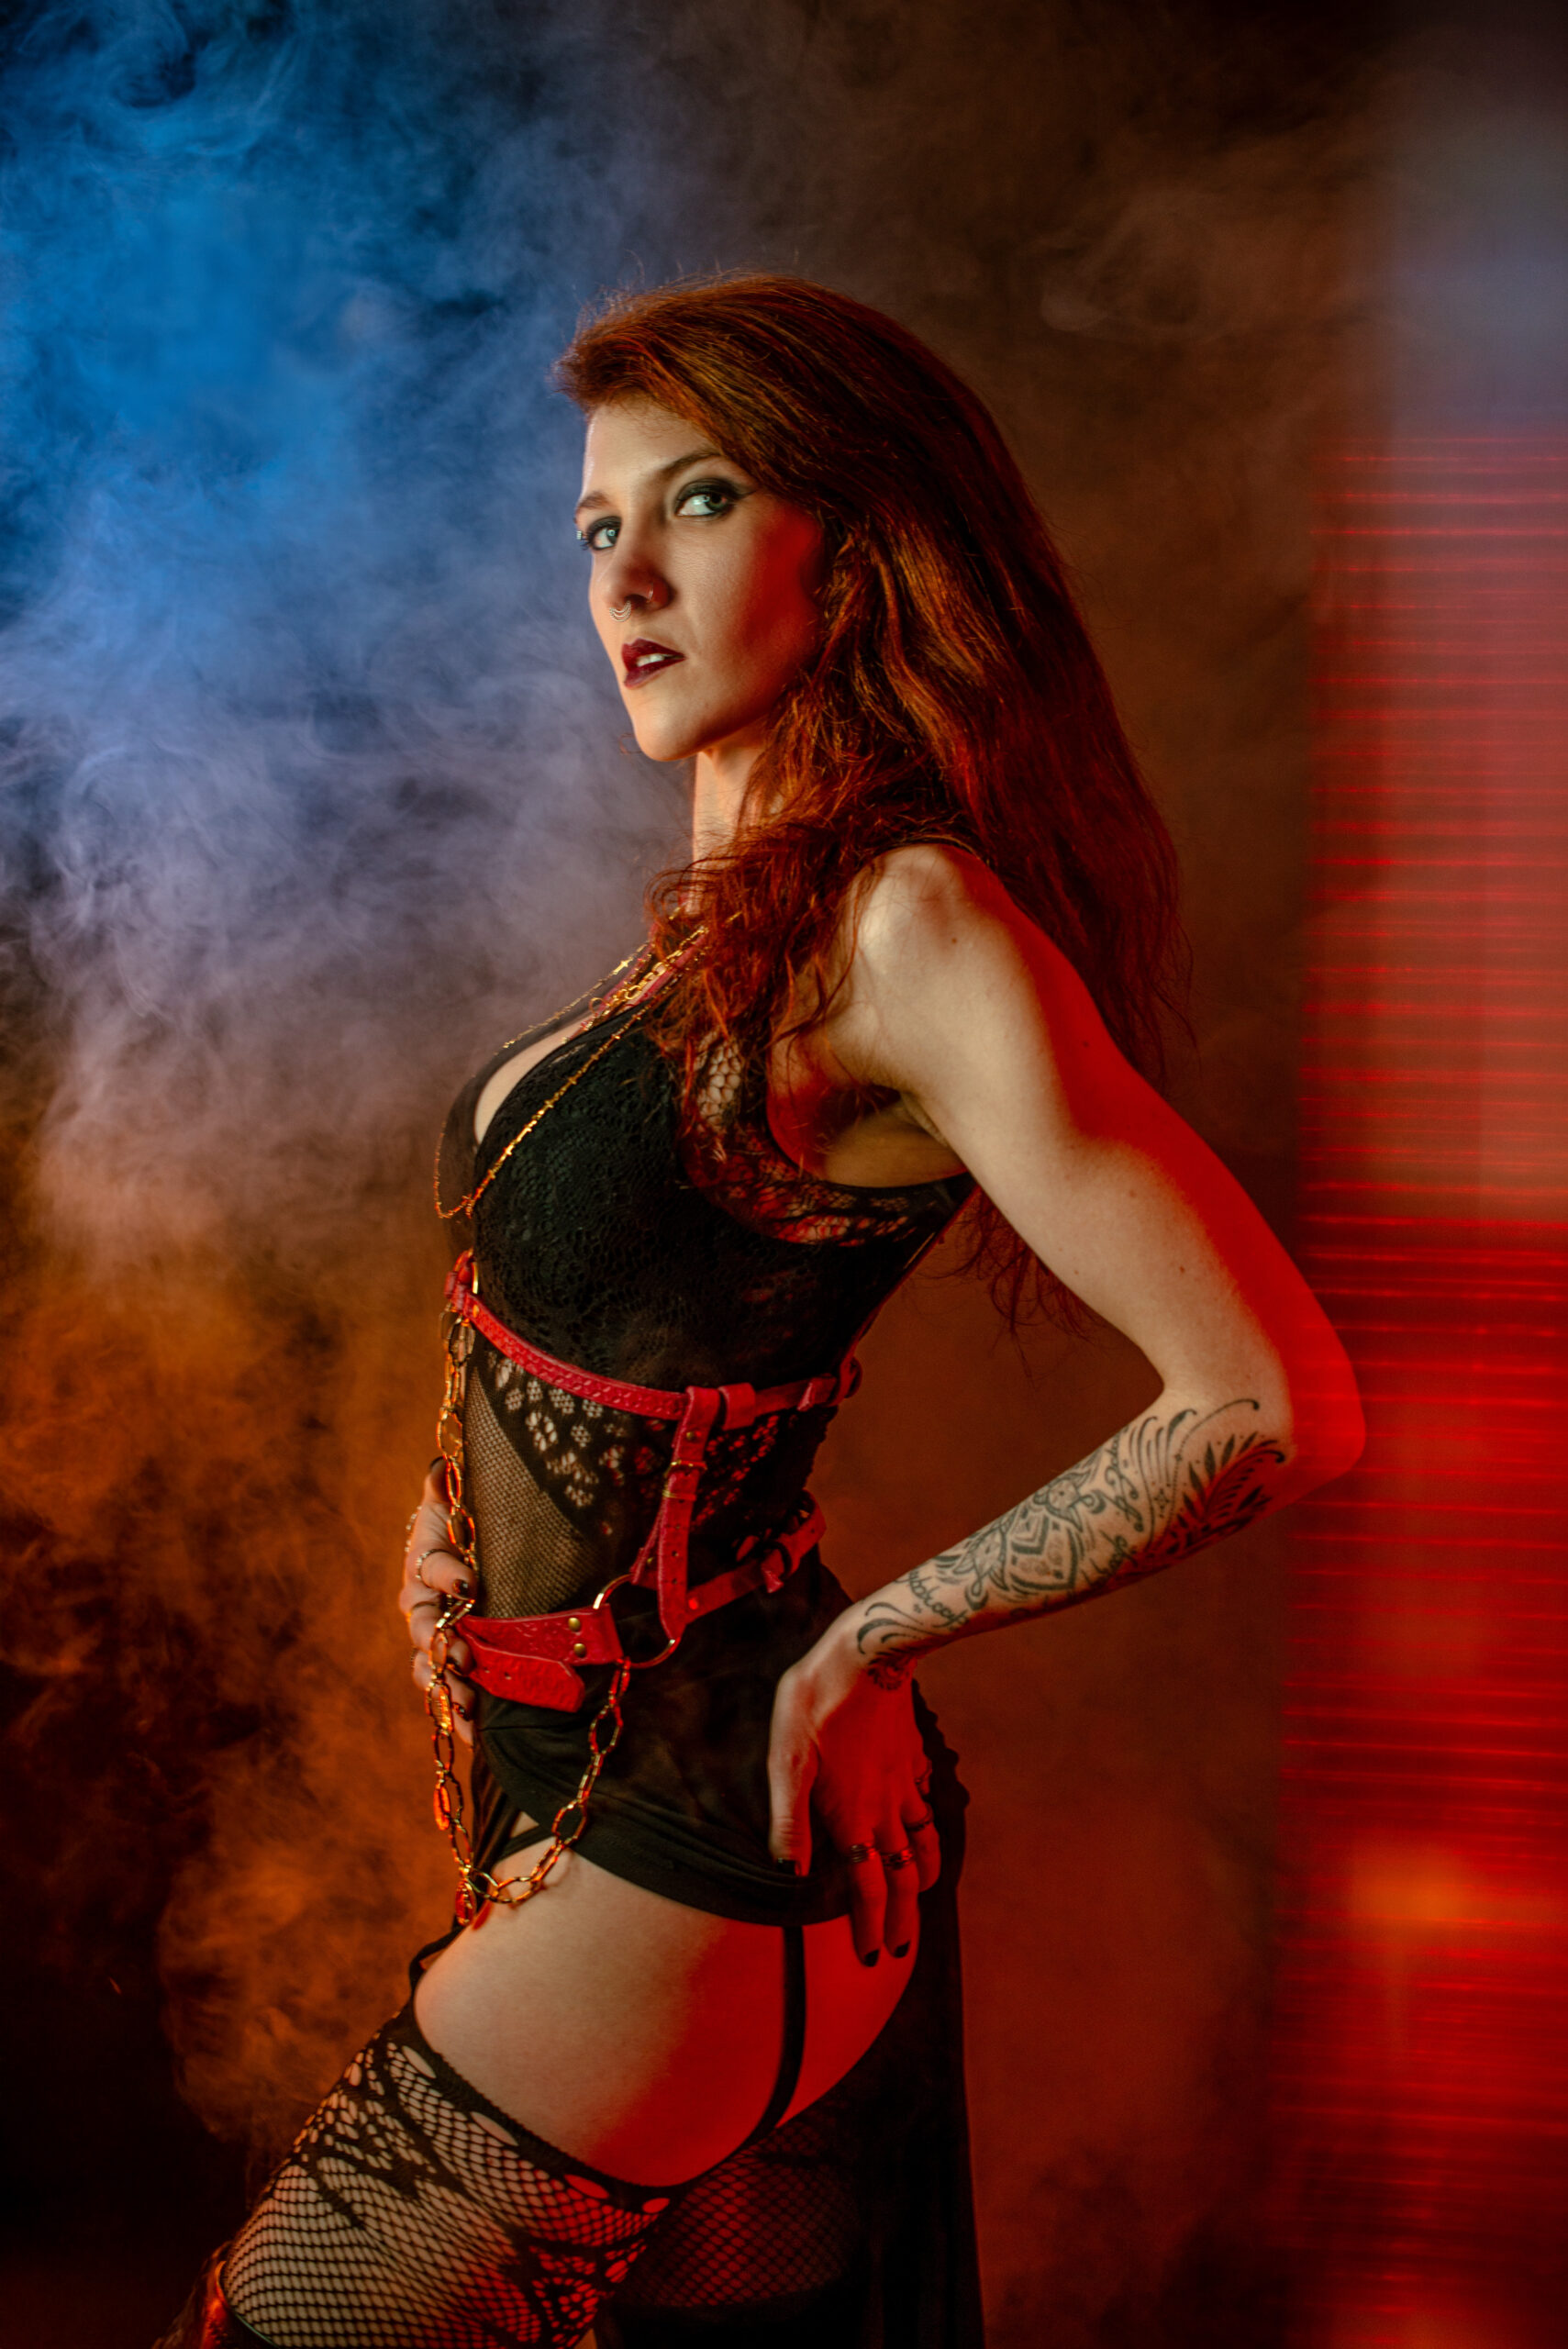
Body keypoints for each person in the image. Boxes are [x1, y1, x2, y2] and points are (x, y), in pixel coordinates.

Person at [159, 274, 1363, 2349]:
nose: (623, 574)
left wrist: (871, 1642)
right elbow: (645, 1336)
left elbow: (1266, 1400)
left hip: (706, 1811)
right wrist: (454, 1520)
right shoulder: (713, 942)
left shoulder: (906, 921)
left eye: (698, 501)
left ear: (856, 538)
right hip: (588, 1793)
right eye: (595, 527)